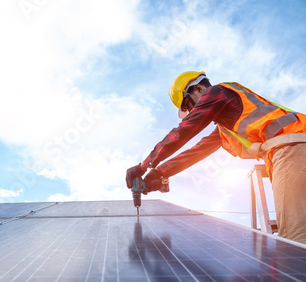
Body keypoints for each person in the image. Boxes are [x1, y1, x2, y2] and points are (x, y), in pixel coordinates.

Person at [126, 71, 306, 244]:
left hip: (292, 147)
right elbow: (197, 151)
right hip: (293, 149)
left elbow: (184, 130)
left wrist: (144, 165)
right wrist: (159, 172)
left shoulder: (218, 92)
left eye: (189, 106)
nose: (193, 111)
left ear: (197, 89)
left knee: (295, 238)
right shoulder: (225, 127)